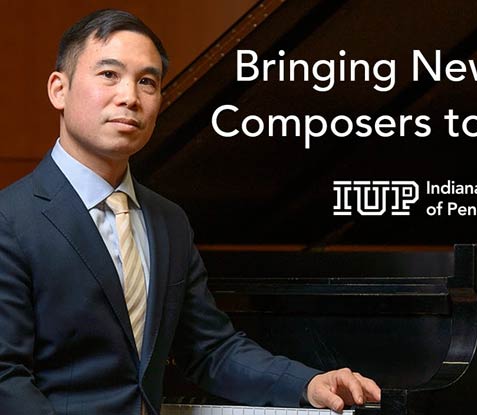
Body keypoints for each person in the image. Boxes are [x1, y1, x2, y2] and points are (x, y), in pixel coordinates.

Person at [0, 9, 380, 415]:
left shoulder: (169, 221)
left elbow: (210, 349)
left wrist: (308, 383)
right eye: (109, 75)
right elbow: (6, 376)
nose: (129, 96)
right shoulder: (10, 219)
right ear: (59, 89)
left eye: (147, 81)